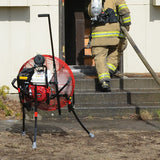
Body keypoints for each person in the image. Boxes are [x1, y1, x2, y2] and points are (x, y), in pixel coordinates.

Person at [88, 0, 131, 91]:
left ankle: (104, 81)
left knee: (100, 57)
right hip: (114, 34)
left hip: (98, 35)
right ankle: (110, 69)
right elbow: (125, 12)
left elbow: (89, 13)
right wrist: (126, 27)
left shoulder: (94, 1)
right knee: (118, 48)